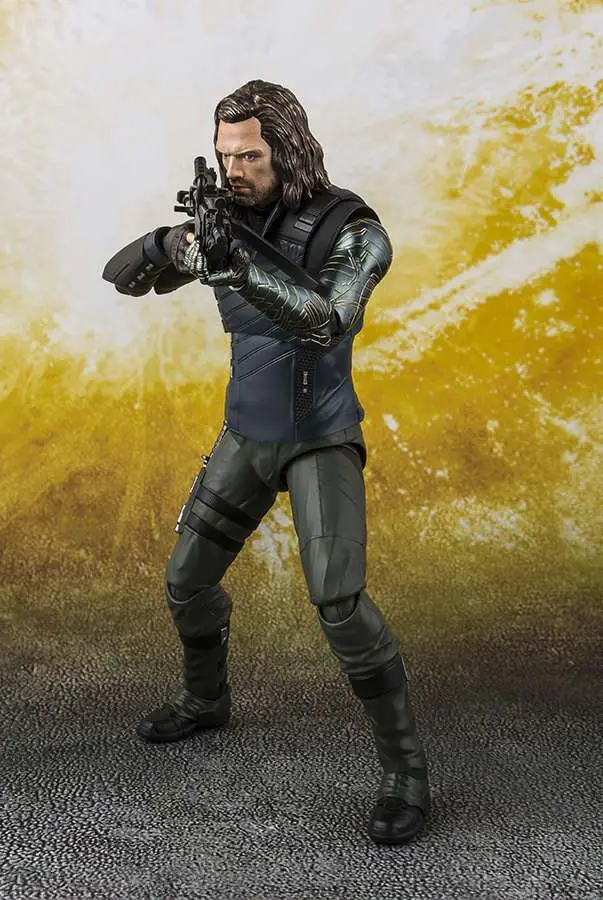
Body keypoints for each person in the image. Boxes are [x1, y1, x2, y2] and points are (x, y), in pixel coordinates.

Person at [103, 79, 430, 845]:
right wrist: (167, 244)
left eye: (249, 155)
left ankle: (406, 773)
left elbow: (325, 321)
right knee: (185, 582)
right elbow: (123, 278)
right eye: (225, 155)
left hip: (319, 437)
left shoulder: (354, 231)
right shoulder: (223, 221)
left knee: (339, 602)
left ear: (287, 149)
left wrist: (234, 266)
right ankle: (204, 701)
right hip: (247, 435)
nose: (235, 169)